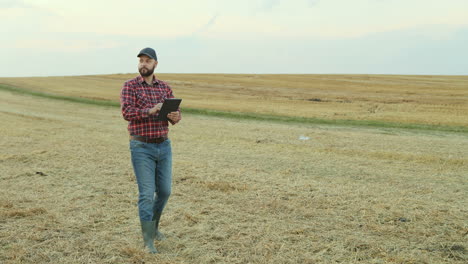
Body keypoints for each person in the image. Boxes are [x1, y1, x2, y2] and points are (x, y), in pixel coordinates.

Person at [120, 47, 181, 253]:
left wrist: (175, 117)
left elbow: (176, 112)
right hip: (141, 146)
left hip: (163, 145)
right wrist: (150, 110)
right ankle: (148, 241)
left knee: (164, 191)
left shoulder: (164, 87)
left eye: (147, 61)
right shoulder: (130, 86)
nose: (143, 64)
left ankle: (154, 228)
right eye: (141, 61)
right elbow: (127, 112)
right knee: (146, 194)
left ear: (155, 64)